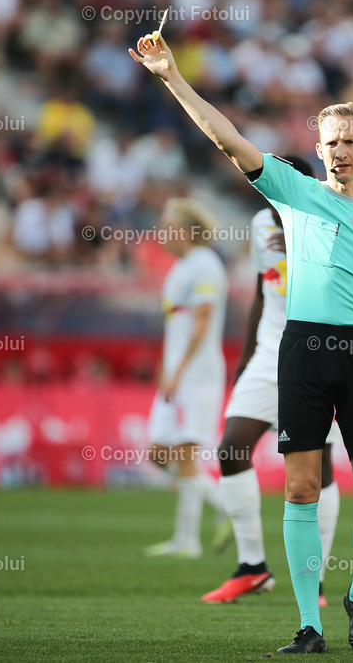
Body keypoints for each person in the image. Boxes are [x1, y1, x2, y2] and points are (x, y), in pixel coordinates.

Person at [130, 34, 353, 655]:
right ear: (316, 152)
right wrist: (171, 78)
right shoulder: (295, 193)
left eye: (349, 141)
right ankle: (309, 625)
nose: (339, 151)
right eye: (329, 143)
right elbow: (226, 138)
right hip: (305, 352)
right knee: (298, 486)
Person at [202, 155, 342, 607]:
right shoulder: (261, 223)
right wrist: (246, 358)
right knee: (232, 450)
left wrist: (304, 246)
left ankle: (313, 580)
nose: (265, 187)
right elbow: (264, 289)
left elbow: (343, 290)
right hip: (268, 354)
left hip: (317, 354)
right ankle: (252, 567)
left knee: (316, 466)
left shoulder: (329, 218)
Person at [143, 199, 229, 559]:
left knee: (185, 453)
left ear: (188, 230)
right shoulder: (182, 267)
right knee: (158, 452)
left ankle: (187, 540)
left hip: (198, 375)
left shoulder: (205, 265)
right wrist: (167, 367)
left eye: (168, 225)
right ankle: (224, 503)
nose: (161, 233)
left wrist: (178, 371)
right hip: (180, 373)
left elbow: (201, 324)